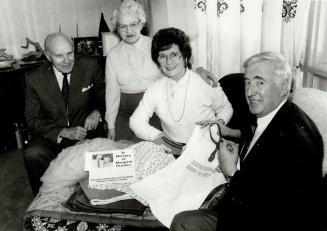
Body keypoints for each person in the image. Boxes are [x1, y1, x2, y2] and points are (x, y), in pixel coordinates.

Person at [170, 52, 324, 231]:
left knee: (182, 222)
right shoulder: (273, 112)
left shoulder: (296, 142)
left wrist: (231, 172)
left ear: (283, 88)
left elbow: (271, 208)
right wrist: (231, 133)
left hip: (265, 221)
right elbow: (260, 136)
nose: (250, 92)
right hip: (245, 206)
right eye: (248, 82)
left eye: (260, 82)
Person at [105, 0, 217, 141]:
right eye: (123, 26)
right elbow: (111, 92)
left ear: (141, 23)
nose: (129, 31)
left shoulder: (156, 44)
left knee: (143, 151)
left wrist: (199, 70)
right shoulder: (113, 55)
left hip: (156, 110)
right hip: (125, 113)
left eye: (133, 24)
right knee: (121, 152)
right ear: (117, 28)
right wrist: (111, 125)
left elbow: (176, 63)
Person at [24, 32, 106, 196]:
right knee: (32, 153)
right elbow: (32, 119)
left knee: (102, 166)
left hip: (87, 131)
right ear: (48, 56)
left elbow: (104, 96)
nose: (67, 60)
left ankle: (95, 200)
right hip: (53, 134)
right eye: (59, 56)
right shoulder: (34, 78)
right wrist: (62, 131)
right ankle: (45, 200)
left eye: (69, 53)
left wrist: (97, 112)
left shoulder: (90, 65)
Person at [129, 27, 233, 156]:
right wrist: (158, 137)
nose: (168, 62)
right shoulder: (155, 89)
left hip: (206, 150)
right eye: (162, 56)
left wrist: (218, 124)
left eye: (174, 54)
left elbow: (225, 108)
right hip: (172, 152)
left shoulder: (205, 83)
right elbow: (135, 121)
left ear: (184, 56)